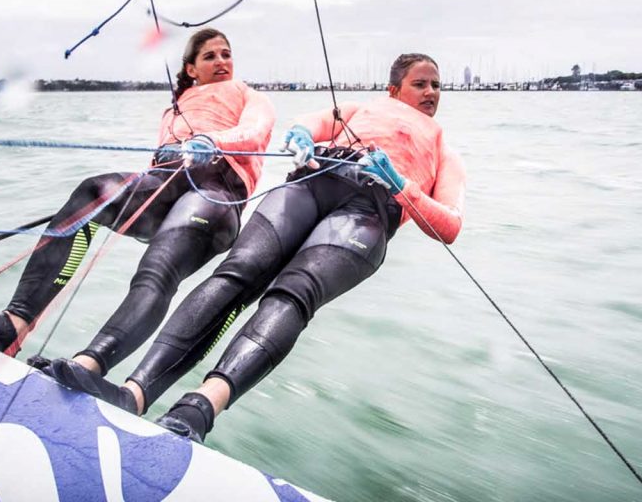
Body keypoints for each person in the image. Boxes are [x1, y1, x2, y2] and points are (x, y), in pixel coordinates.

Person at [49, 52, 465, 442]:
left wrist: (402, 185)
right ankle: (133, 393)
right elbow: (307, 124)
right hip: (310, 183)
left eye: (436, 86)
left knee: (293, 294)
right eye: (421, 84)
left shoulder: (445, 148)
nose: (431, 93)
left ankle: (198, 409)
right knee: (236, 274)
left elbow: (449, 225)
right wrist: (301, 134)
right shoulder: (359, 110)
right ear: (393, 91)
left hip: (368, 213)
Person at [0, 28, 275, 378]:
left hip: (217, 193)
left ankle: (90, 365)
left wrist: (212, 140)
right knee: (92, 193)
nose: (221, 61)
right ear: (191, 69)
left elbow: (256, 130)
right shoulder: (174, 108)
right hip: (164, 184)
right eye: (210, 56)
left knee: (158, 266)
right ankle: (13, 326)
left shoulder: (248, 95)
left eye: (226, 54)